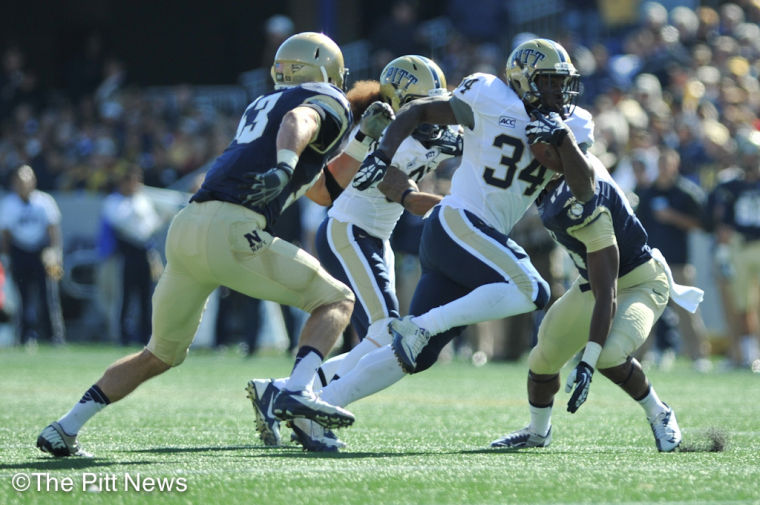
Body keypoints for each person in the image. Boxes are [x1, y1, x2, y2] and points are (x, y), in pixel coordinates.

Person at [36, 32, 392, 457]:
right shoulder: (323, 101)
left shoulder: (262, 104)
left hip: (187, 228)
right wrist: (283, 167)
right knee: (337, 301)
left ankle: (66, 426)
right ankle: (295, 392)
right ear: (327, 67)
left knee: (158, 353)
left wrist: (362, 140)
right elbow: (299, 123)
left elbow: (321, 191)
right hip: (232, 227)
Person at [271, 38, 596, 452]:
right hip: (458, 223)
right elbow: (419, 109)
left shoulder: (576, 125)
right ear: (521, 80)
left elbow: (584, 190)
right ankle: (424, 325)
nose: (556, 94)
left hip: (467, 239)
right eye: (547, 83)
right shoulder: (489, 96)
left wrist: (563, 140)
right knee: (532, 290)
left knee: (411, 355)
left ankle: (314, 409)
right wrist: (382, 153)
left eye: (560, 84)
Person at [248, 55, 463, 451]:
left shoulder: (432, 133)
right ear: (399, 106)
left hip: (375, 237)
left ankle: (282, 391)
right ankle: (305, 403)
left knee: (378, 337)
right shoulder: (386, 143)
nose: (432, 113)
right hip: (350, 233)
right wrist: (466, 211)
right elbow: (410, 201)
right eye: (420, 105)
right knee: (385, 333)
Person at [489, 154, 703, 452]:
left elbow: (608, 295)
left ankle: (659, 412)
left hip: (640, 282)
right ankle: (538, 432)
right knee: (543, 356)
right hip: (592, 283)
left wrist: (587, 363)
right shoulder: (555, 182)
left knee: (609, 354)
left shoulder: (585, 202)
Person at [636, 148, 712, 372]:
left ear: (675, 166)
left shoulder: (685, 192)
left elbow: (703, 224)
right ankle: (641, 355)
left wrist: (674, 217)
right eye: (660, 165)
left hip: (678, 261)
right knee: (646, 310)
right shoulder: (648, 193)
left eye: (667, 165)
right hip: (652, 262)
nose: (663, 169)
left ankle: (698, 355)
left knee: (688, 311)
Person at [0, 164, 65, 346]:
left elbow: (53, 229)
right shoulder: (9, 204)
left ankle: (54, 336)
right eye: (20, 181)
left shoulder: (44, 201)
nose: (24, 184)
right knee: (23, 296)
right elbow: (6, 234)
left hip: (41, 252)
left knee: (48, 295)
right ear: (14, 183)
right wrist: (5, 257)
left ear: (34, 181)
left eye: (27, 180)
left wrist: (55, 252)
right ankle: (26, 336)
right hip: (19, 252)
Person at [101, 166, 164, 346]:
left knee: (146, 298)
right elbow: (121, 222)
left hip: (144, 254)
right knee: (124, 298)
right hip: (123, 255)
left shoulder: (143, 201)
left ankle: (146, 336)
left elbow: (151, 225)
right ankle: (123, 336)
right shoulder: (114, 201)